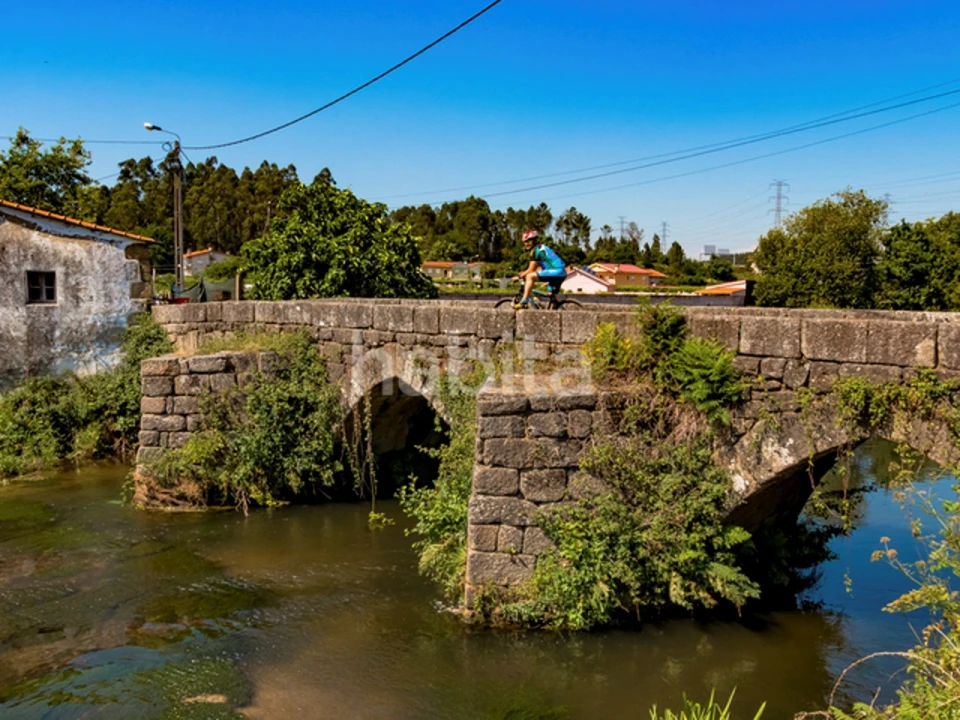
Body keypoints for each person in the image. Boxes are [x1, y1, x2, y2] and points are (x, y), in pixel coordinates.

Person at [512, 230, 567, 309]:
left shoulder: (535, 250)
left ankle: (524, 301)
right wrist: (524, 273)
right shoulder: (541, 248)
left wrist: (519, 276)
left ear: (534, 240)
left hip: (556, 271)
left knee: (530, 277)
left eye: (528, 241)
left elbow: (530, 270)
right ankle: (552, 314)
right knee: (552, 299)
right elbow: (538, 268)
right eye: (524, 242)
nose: (526, 244)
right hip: (562, 273)